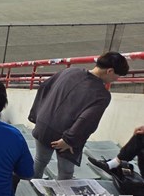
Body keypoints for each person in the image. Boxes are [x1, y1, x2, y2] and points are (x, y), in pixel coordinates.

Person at [29, 52, 129, 180]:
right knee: (66, 172)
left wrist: (38, 117)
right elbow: (86, 120)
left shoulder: (69, 72)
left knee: (40, 161)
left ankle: (32, 185)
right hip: (65, 135)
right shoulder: (102, 94)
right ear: (110, 71)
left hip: (43, 126)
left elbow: (44, 87)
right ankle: (61, 193)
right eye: (118, 75)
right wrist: (69, 140)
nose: (117, 79)